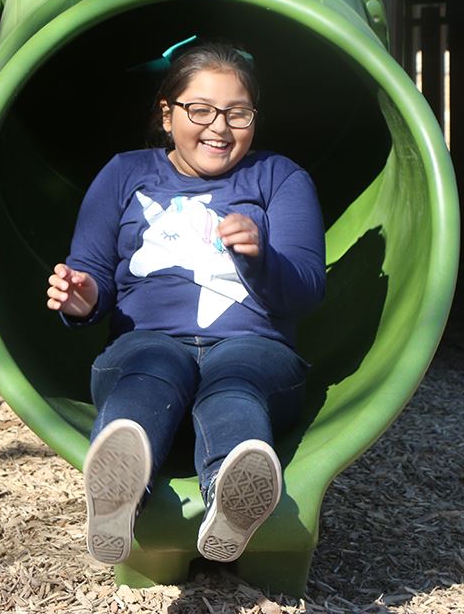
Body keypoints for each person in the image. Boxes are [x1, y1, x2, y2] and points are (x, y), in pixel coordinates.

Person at [45, 40, 326, 565]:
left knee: (235, 382)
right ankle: (118, 496)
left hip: (254, 344)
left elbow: (307, 289)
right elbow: (93, 273)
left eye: (237, 113)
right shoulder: (125, 174)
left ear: (254, 119)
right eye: (201, 110)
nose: (219, 128)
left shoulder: (279, 178)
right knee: (148, 371)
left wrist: (260, 259)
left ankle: (230, 496)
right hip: (147, 341)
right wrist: (82, 299)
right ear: (167, 113)